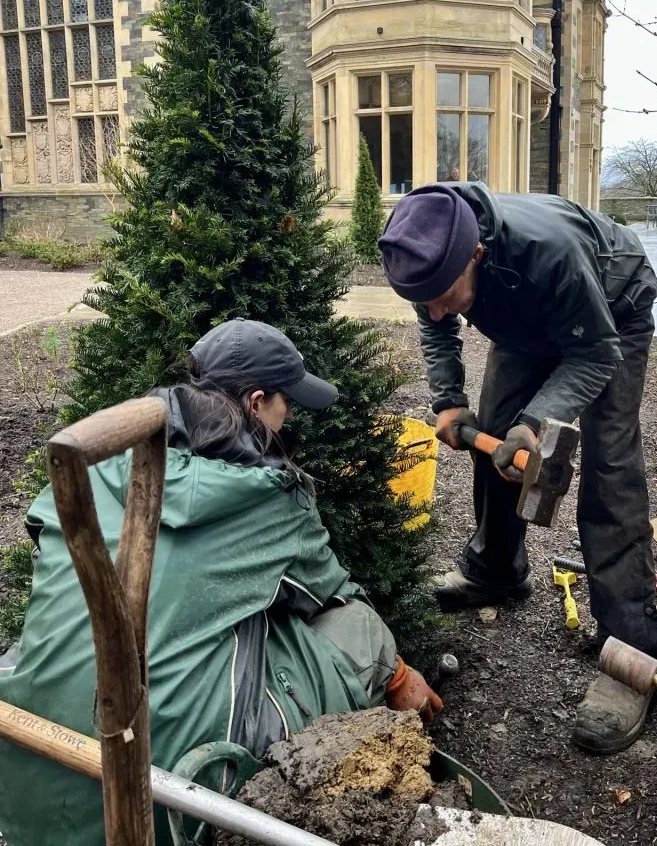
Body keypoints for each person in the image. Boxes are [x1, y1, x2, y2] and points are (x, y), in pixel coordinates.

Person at [0, 319, 441, 846]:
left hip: (29, 779)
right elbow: (332, 593)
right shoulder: (271, 498)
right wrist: (396, 674)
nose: (292, 415)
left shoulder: (96, 464)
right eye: (287, 402)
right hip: (171, 806)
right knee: (355, 626)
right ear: (256, 402)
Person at [378, 182, 657, 756]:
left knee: (610, 470)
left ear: (477, 254)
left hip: (609, 311)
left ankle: (631, 654)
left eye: (443, 294)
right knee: (496, 435)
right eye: (422, 297)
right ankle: (496, 571)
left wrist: (540, 422)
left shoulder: (548, 251)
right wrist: (448, 401)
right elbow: (436, 326)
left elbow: (593, 353)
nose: (434, 308)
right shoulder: (426, 248)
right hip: (526, 320)